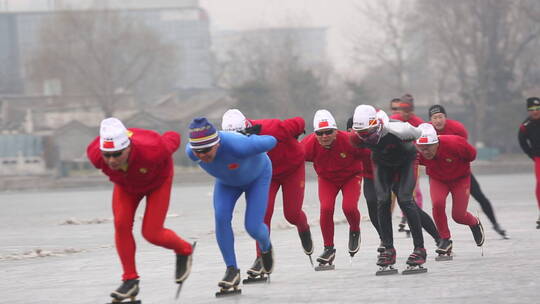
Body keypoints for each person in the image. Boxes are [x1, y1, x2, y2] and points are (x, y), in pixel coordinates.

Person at [86, 118, 194, 302]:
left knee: (152, 234)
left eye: (117, 154)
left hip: (158, 182)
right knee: (121, 224)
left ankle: (184, 249)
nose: (111, 160)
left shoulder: (153, 149)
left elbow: (173, 137)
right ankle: (130, 280)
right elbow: (108, 156)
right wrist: (111, 157)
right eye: (107, 154)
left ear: (128, 148)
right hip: (126, 185)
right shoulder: (95, 155)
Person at [185, 117, 277, 291]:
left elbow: (272, 141)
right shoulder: (191, 152)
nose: (202, 155)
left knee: (253, 227)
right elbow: (196, 150)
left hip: (257, 178)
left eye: (206, 150)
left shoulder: (238, 145)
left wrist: (248, 137)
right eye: (198, 151)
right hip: (226, 183)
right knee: (221, 217)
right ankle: (231, 269)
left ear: (217, 143)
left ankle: (266, 247)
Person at [221, 109, 312, 275]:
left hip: (292, 168)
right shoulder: (226, 142)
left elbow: (299, 120)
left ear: (247, 129)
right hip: (266, 173)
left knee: (291, 214)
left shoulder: (273, 128)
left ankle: (303, 228)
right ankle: (261, 258)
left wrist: (297, 132)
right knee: (263, 214)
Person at [350, 105, 428, 272]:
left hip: (406, 162)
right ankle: (388, 249)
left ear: (376, 124)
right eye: (361, 133)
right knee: (382, 200)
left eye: (367, 132)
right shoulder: (356, 138)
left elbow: (419, 133)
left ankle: (419, 249)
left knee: (405, 200)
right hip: (383, 164)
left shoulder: (398, 129)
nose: (365, 137)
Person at [429, 104, 508, 237]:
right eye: (434, 118)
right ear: (430, 120)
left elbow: (466, 151)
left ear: (445, 117)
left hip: (460, 173)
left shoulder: (457, 128)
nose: (438, 120)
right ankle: (444, 238)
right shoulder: (427, 130)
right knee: (437, 203)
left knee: (480, 196)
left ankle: (495, 224)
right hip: (439, 174)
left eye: (440, 117)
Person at [301, 109, 367, 266]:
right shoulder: (308, 145)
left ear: (336, 131)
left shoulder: (350, 140)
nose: (324, 137)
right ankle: (329, 249)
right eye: (320, 133)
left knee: (349, 208)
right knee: (326, 208)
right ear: (315, 134)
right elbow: (292, 159)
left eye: (328, 132)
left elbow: (369, 155)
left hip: (351, 176)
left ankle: (355, 230)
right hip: (327, 179)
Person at [416, 123, 485, 255]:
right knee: (437, 203)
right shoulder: (418, 152)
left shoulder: (455, 143)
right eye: (422, 148)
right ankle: (445, 239)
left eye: (428, 147)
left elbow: (472, 155)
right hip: (438, 179)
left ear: (436, 143)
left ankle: (474, 223)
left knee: (458, 216)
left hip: (460, 179)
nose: (425, 152)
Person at [389, 94, 424, 230]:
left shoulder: (418, 122)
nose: (405, 114)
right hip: (393, 163)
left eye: (408, 111)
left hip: (411, 162)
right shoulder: (393, 121)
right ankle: (386, 224)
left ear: (412, 111)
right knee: (390, 195)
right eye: (402, 111)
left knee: (412, 191)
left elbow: (423, 142)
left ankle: (412, 220)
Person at [517, 97, 540, 229]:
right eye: (532, 110)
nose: (535, 111)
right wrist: (531, 154)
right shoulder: (525, 126)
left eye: (538, 109)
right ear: (528, 111)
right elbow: (522, 141)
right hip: (538, 157)